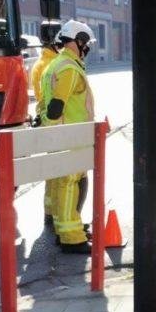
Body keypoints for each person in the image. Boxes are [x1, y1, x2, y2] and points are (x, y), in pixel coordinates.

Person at [41, 20, 97, 254]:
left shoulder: (53, 65)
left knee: (56, 181)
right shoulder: (70, 69)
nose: (88, 48)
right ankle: (71, 237)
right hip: (71, 136)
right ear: (79, 41)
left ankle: (59, 224)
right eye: (86, 43)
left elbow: (45, 107)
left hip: (56, 135)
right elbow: (56, 106)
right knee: (69, 184)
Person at [30, 20, 61, 226]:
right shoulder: (52, 65)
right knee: (60, 174)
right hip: (55, 124)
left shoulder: (41, 63)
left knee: (53, 172)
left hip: (47, 123)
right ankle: (57, 214)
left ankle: (50, 211)